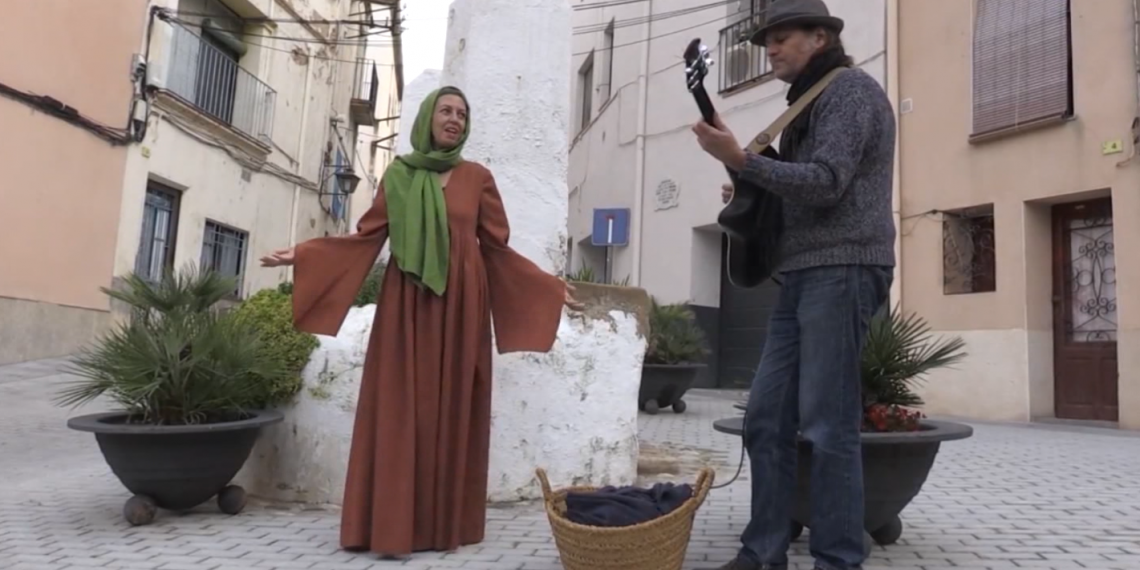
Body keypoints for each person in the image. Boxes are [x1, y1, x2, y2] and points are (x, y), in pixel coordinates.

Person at [260, 86, 582, 558]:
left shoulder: (478, 178)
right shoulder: (399, 175)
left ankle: (441, 524)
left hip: (462, 308)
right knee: (400, 406)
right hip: (406, 305)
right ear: (429, 117)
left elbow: (496, 248)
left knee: (452, 404)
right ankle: (390, 523)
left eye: (462, 114)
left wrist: (545, 287)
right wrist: (304, 254)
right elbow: (366, 237)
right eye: (446, 111)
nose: (454, 119)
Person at [691, 1, 896, 569]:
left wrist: (744, 161)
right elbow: (805, 191)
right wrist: (749, 182)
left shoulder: (849, 91)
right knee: (766, 417)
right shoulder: (811, 100)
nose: (771, 49)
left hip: (845, 268)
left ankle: (837, 559)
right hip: (804, 272)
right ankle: (764, 553)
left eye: (782, 38)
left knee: (829, 426)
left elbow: (828, 184)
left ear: (821, 36)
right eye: (767, 41)